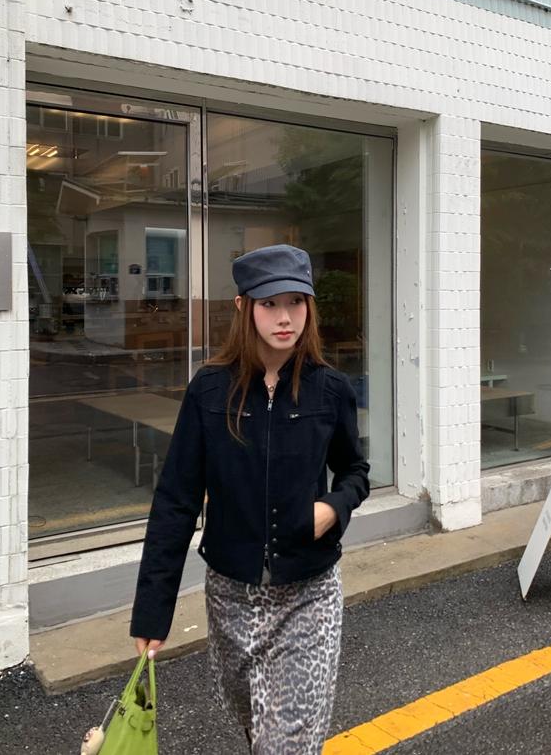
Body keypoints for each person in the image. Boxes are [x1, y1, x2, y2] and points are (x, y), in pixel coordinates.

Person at [130, 243, 370, 754]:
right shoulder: (209, 391)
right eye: (269, 303)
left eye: (296, 302)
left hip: (309, 594)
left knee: (284, 744)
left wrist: (334, 507)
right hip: (230, 598)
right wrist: (152, 611)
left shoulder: (330, 389)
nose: (285, 317)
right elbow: (176, 500)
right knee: (256, 729)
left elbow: (355, 471)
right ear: (244, 307)